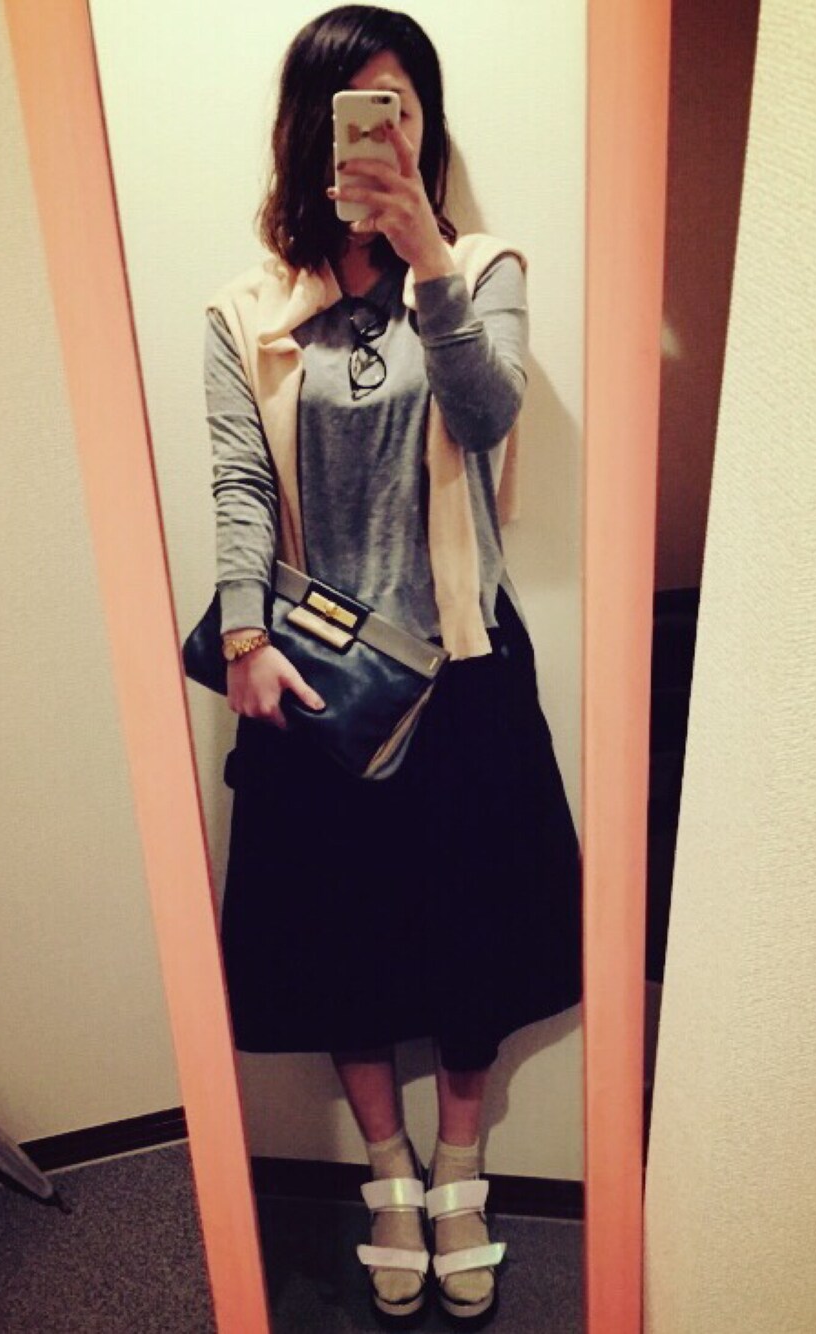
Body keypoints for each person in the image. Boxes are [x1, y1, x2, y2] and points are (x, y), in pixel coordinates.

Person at [203, 5, 582, 1323]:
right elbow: (240, 484)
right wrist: (243, 636)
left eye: (402, 108)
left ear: (425, 127)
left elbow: (486, 417)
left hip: (463, 668)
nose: (383, 131)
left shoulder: (481, 267)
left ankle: (462, 1169)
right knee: (339, 939)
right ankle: (387, 1172)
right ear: (308, 132)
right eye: (358, 110)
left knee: (477, 927)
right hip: (317, 681)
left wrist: (428, 263)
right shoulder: (248, 308)